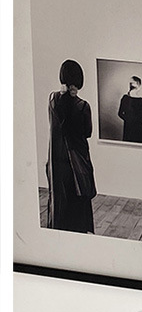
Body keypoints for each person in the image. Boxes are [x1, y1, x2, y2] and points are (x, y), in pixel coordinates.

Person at [46, 59, 97, 233]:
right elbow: (87, 133)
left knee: (60, 200)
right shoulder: (83, 106)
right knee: (78, 200)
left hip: (57, 162)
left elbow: (57, 125)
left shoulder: (52, 100)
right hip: (76, 161)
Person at [118, 75, 142, 142]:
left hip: (128, 129)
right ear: (139, 86)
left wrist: (129, 119)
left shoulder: (125, 98)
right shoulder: (141, 101)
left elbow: (120, 114)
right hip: (138, 130)